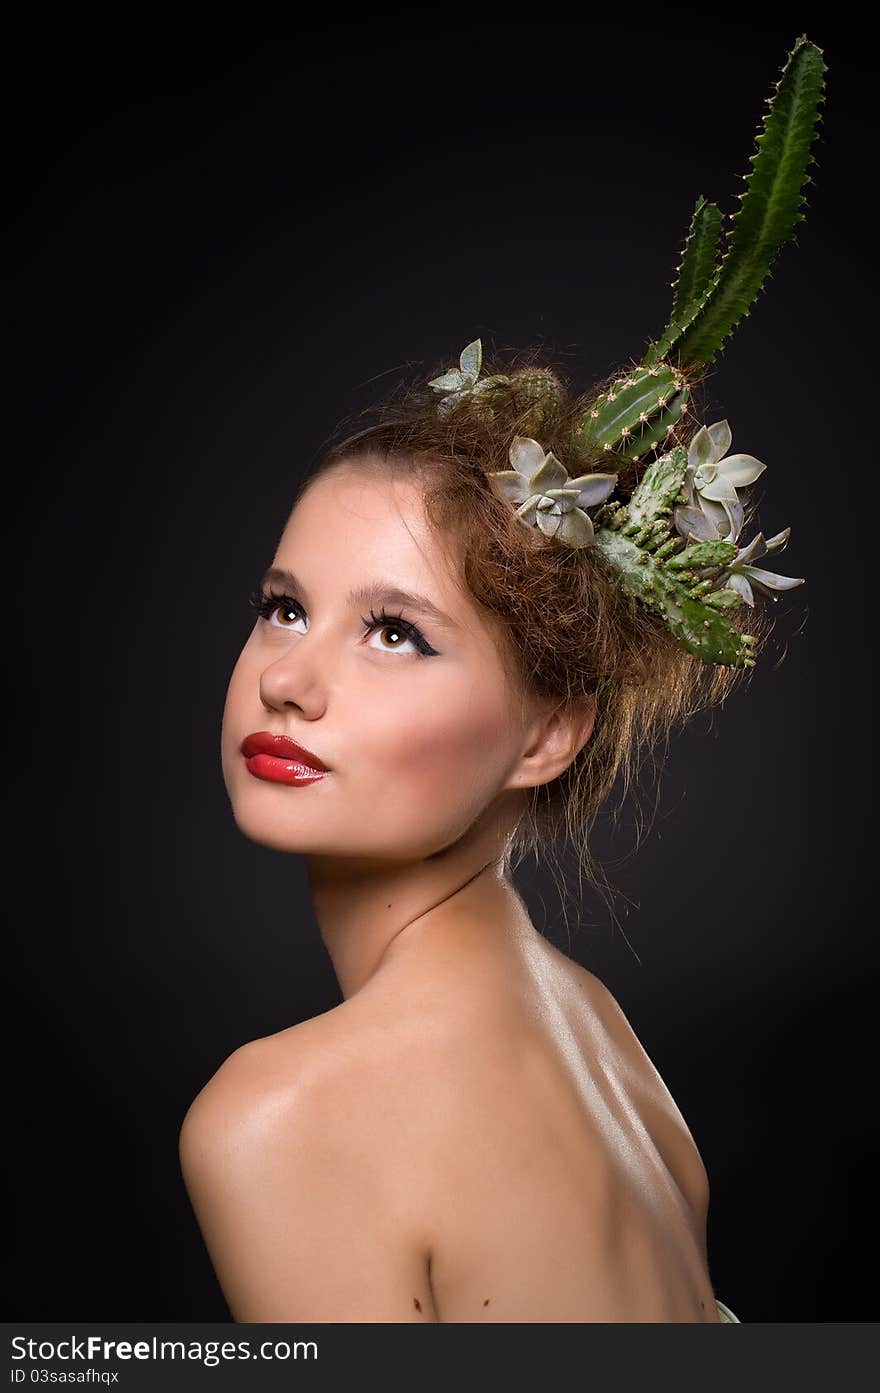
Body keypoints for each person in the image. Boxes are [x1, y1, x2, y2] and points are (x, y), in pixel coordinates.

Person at [178, 35, 826, 1322]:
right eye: (285, 607)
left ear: (548, 732)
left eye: (397, 632)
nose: (289, 682)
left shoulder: (281, 1117)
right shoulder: (591, 1028)